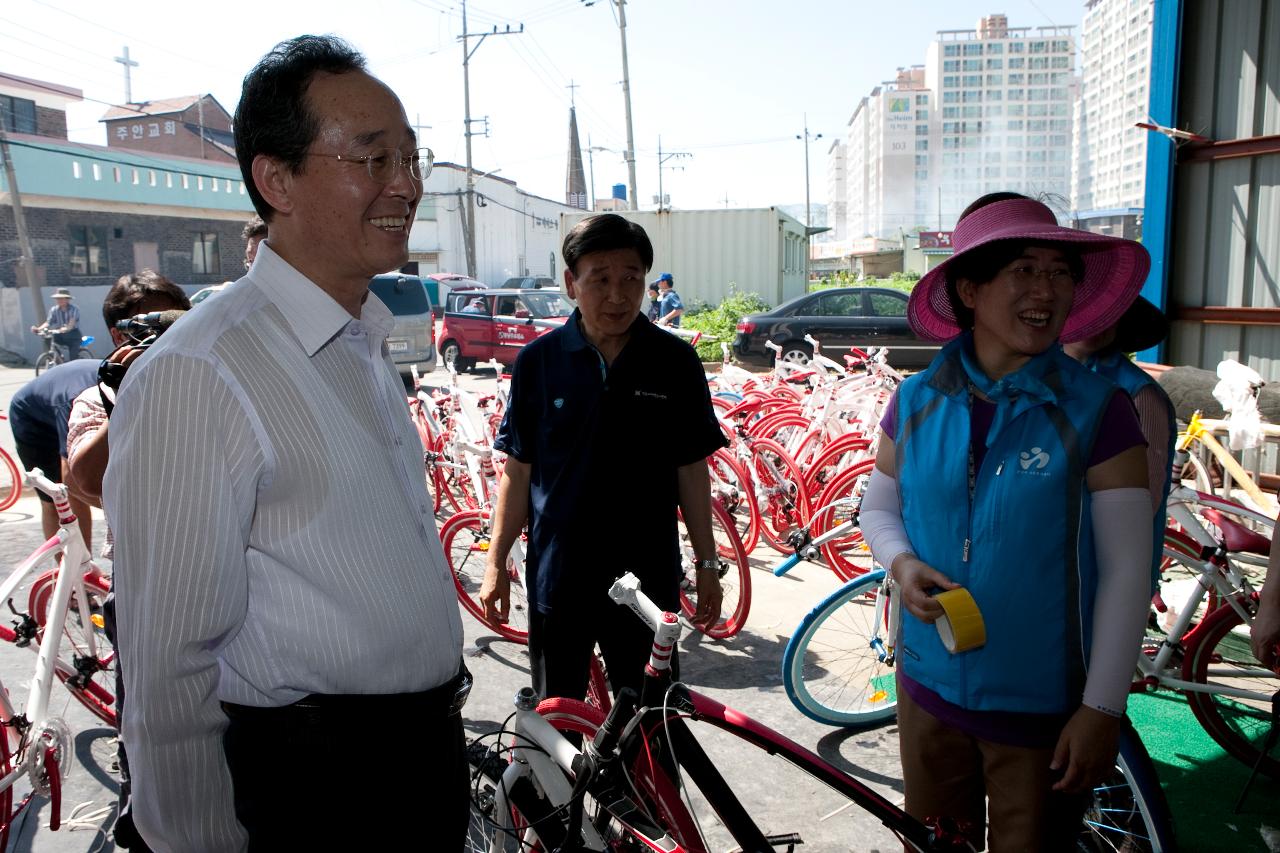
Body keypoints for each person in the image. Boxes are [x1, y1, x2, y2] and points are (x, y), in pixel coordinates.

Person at [102, 35, 467, 851]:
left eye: (411, 157)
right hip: (313, 793)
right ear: (276, 180)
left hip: (417, 768)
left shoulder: (362, 336)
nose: (405, 185)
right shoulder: (201, 371)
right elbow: (167, 672)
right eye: (372, 158)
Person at [858, 193, 1154, 850]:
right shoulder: (913, 400)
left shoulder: (1100, 411)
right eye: (1023, 268)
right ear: (970, 287)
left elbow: (1129, 568)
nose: (1045, 287)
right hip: (927, 692)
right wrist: (901, 562)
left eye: (1058, 271)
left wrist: (1102, 706)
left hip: (1042, 712)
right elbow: (877, 507)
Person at [479, 213, 726, 702]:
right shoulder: (539, 362)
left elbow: (691, 470)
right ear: (572, 283)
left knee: (651, 726)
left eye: (631, 278)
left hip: (646, 584)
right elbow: (518, 470)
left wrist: (707, 562)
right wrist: (494, 562)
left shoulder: (674, 362)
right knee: (558, 717)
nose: (617, 295)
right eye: (601, 279)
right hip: (561, 576)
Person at [59, 270, 190, 853]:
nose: (164, 341)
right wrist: (136, 391)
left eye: (174, 325)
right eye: (147, 329)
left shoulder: (211, 379)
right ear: (119, 338)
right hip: (149, 588)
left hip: (239, 581)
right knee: (152, 733)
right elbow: (86, 483)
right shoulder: (102, 394)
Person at [1064, 295, 1177, 592]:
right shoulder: (1034, 380)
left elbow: (1145, 498)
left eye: (1109, 312)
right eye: (1085, 308)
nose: (1096, 322)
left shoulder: (1138, 392)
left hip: (1106, 569)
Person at [8, 357, 97, 547]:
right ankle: (71, 570)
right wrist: (117, 509)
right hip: (33, 417)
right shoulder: (80, 402)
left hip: (66, 390)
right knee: (57, 497)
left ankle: (83, 566)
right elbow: (72, 479)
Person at [31, 287, 82, 356]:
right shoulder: (54, 310)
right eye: (57, 298)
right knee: (48, 338)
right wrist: (38, 329)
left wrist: (66, 328)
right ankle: (56, 357)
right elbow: (48, 322)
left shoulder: (74, 309)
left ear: (67, 300)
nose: (59, 300)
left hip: (73, 335)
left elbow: (71, 324)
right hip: (60, 334)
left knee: (73, 358)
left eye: (61, 298)